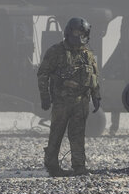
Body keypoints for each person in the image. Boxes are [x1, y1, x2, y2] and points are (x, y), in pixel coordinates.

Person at [37, 17, 102, 176]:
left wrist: (96, 96)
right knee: (56, 134)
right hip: (61, 102)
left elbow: (94, 77)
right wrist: (45, 97)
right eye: (76, 32)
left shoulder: (88, 55)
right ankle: (52, 166)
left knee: (78, 135)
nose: (79, 35)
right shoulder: (56, 51)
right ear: (69, 32)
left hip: (81, 102)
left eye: (82, 32)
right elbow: (43, 74)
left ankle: (79, 166)